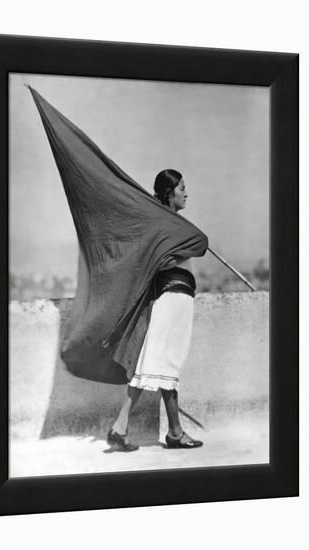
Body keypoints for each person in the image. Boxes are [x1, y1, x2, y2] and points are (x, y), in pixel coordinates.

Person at [107, 169, 203, 452]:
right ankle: (131, 427)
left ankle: (164, 431)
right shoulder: (167, 225)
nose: (186, 193)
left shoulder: (169, 224)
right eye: (182, 188)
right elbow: (198, 244)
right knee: (160, 365)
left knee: (157, 366)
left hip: (174, 296)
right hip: (173, 297)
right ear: (169, 193)